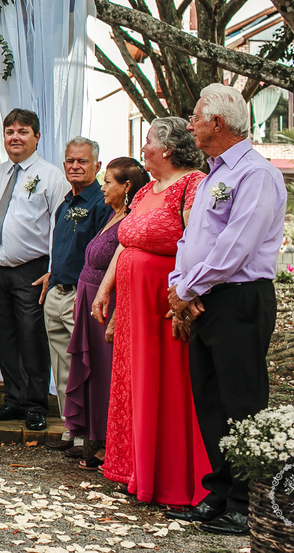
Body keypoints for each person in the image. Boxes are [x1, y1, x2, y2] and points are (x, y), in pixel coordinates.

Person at [163, 85, 285, 536]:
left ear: (217, 122)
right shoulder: (213, 173)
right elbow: (191, 238)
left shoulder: (256, 174)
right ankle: (219, 491)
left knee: (242, 401)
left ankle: (246, 502)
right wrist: (180, 285)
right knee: (210, 398)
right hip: (205, 298)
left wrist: (188, 287)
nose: (189, 124)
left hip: (239, 298)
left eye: (194, 118)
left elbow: (237, 245)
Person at [92, 117, 210, 507]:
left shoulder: (193, 184)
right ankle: (136, 470)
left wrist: (183, 297)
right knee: (132, 382)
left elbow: (196, 242)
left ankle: (169, 477)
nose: (142, 150)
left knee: (165, 385)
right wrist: (107, 290)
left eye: (147, 142)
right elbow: (125, 243)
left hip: (164, 301)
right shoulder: (144, 193)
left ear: (168, 149)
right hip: (132, 304)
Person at [0, 109, 67, 431]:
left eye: (23, 131)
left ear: (37, 137)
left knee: (32, 338)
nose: (15, 137)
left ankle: (35, 404)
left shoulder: (52, 176)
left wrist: (53, 272)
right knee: (4, 336)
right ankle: (13, 400)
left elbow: (60, 227)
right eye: (10, 131)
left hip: (32, 270)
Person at [64, 157, 148, 470]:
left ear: (127, 186)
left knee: (106, 374)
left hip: (106, 304)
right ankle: (94, 439)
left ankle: (110, 446)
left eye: (109, 181)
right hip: (87, 299)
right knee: (93, 372)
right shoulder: (111, 216)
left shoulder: (131, 219)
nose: (103, 187)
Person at [39, 137, 113, 452]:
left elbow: (102, 254)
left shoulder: (102, 203)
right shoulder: (64, 203)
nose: (75, 166)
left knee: (86, 364)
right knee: (62, 366)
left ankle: (91, 431)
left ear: (97, 164)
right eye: (70, 160)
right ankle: (70, 427)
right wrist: (51, 277)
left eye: (82, 161)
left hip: (83, 295)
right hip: (57, 290)